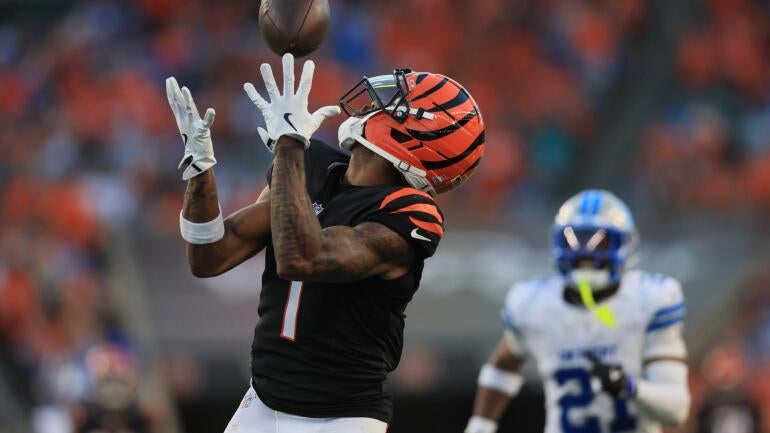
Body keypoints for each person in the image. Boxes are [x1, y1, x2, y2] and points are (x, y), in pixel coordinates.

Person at [165, 53, 485, 433]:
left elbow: (303, 257)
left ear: (417, 137)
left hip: (341, 419)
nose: (375, 104)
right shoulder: (314, 165)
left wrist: (288, 147)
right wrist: (200, 171)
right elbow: (209, 256)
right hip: (262, 401)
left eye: (396, 105)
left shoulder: (410, 213)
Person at [464, 190, 691, 433]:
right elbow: (504, 363)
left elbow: (676, 410)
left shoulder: (650, 300)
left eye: (600, 242)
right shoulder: (533, 304)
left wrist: (629, 386)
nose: (585, 253)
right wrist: (480, 425)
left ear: (625, 245)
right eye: (574, 240)